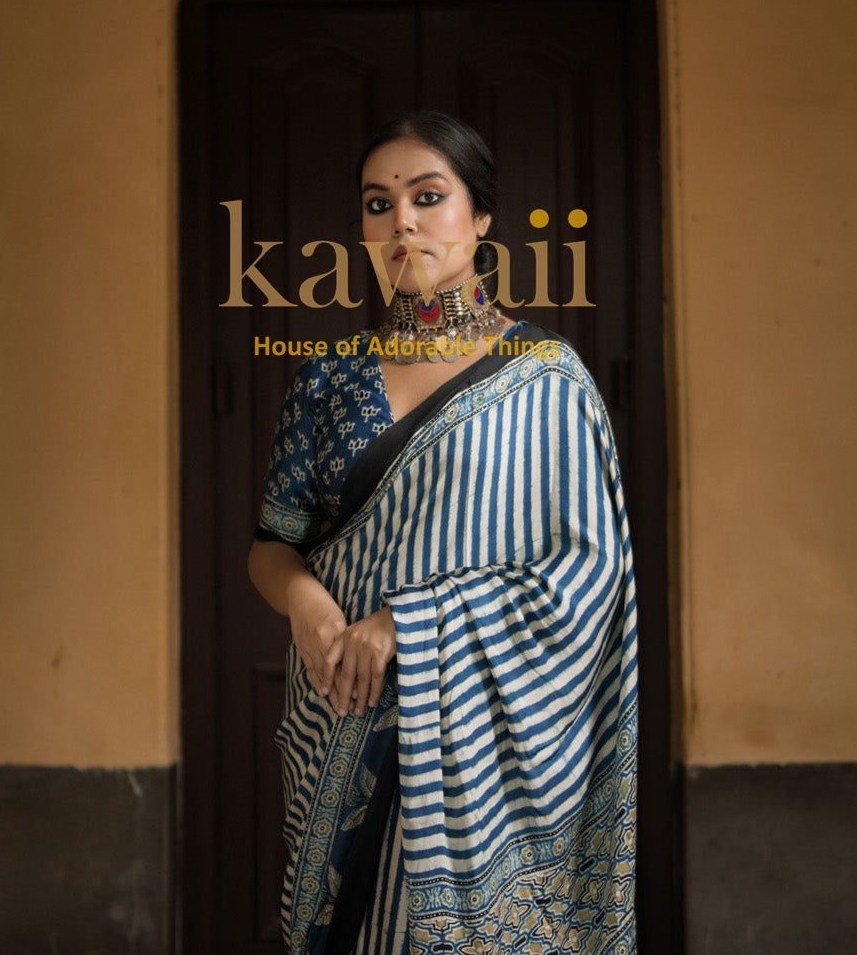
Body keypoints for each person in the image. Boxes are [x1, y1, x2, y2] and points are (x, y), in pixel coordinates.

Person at [247, 110, 639, 955]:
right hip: (339, 722)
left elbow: (587, 571)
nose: (403, 223)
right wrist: (309, 608)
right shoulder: (328, 380)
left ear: (481, 218)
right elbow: (271, 543)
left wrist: (409, 625)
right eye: (378, 204)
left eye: (429, 196)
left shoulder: (547, 381)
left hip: (485, 754)